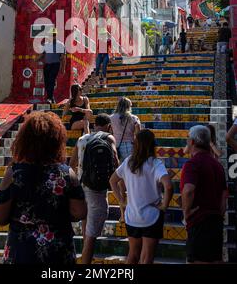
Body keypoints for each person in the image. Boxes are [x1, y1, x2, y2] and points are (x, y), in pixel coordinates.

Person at [0, 111, 87, 265]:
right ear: (57, 141)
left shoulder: (15, 173)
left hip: (21, 253)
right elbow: (80, 212)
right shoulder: (67, 173)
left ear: (24, 141)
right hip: (58, 253)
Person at [110, 130, 173, 264]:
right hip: (152, 216)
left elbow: (112, 181)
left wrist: (121, 201)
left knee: (132, 255)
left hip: (132, 216)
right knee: (147, 258)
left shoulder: (128, 162)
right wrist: (164, 206)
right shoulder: (155, 164)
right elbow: (168, 186)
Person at [69, 113, 118, 264]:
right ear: (109, 126)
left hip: (81, 187)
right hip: (96, 190)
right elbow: (116, 162)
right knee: (91, 236)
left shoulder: (82, 139)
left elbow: (71, 164)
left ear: (95, 124)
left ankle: (84, 256)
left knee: (86, 230)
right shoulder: (108, 138)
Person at [180, 125, 228, 264]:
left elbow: (188, 190)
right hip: (216, 221)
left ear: (193, 142)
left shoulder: (193, 164)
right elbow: (224, 196)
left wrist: (186, 212)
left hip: (199, 222)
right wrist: (219, 214)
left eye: (188, 138)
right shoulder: (217, 165)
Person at [37, 28, 66, 104]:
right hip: (47, 65)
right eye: (51, 35)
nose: (53, 36)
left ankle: (49, 98)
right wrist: (35, 60)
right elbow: (42, 55)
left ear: (56, 35)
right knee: (47, 81)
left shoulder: (60, 45)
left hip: (55, 64)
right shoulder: (45, 45)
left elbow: (63, 57)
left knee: (51, 80)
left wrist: (63, 68)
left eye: (54, 35)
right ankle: (51, 97)